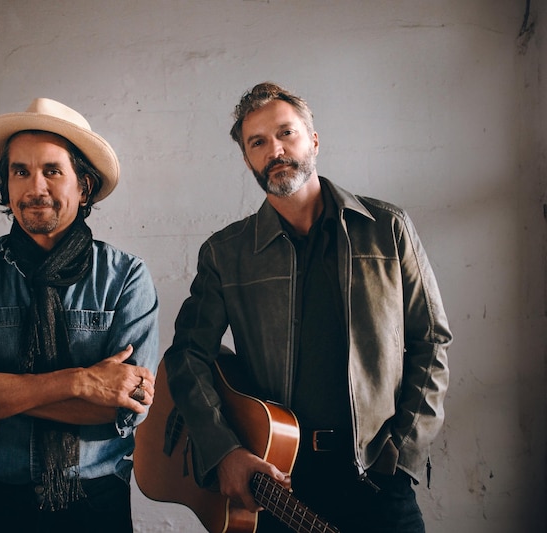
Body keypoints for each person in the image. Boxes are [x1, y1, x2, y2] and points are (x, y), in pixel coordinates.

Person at [163, 82, 451, 533]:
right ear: (247, 159)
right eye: (257, 142)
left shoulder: (388, 230)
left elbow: (430, 342)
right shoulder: (225, 253)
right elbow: (186, 356)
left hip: (379, 476)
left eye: (286, 133)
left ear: (313, 140)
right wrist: (224, 451)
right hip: (279, 482)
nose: (274, 149)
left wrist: (403, 453)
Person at [0, 98, 159, 533]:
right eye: (20, 171)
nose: (34, 188)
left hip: (96, 501)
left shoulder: (125, 277)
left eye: (52, 170)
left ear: (84, 186)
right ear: (6, 186)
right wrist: (79, 382)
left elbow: (128, 405)